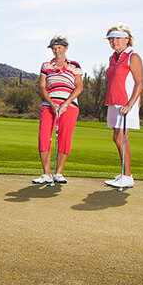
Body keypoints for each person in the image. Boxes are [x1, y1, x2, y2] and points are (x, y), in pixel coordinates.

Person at [32, 35, 83, 184]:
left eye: (59, 48)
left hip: (69, 107)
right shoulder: (46, 65)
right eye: (54, 48)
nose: (56, 51)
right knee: (43, 137)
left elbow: (79, 87)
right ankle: (46, 174)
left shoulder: (75, 65)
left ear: (65, 48)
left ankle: (59, 173)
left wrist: (65, 103)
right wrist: (52, 104)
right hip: (49, 106)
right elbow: (42, 87)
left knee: (64, 138)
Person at [104, 24, 143, 189]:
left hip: (126, 103)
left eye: (117, 38)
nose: (114, 42)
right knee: (117, 138)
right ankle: (124, 173)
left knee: (122, 138)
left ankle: (128, 176)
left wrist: (130, 104)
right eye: (111, 39)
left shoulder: (133, 57)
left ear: (127, 39)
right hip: (113, 102)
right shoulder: (112, 58)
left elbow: (139, 84)